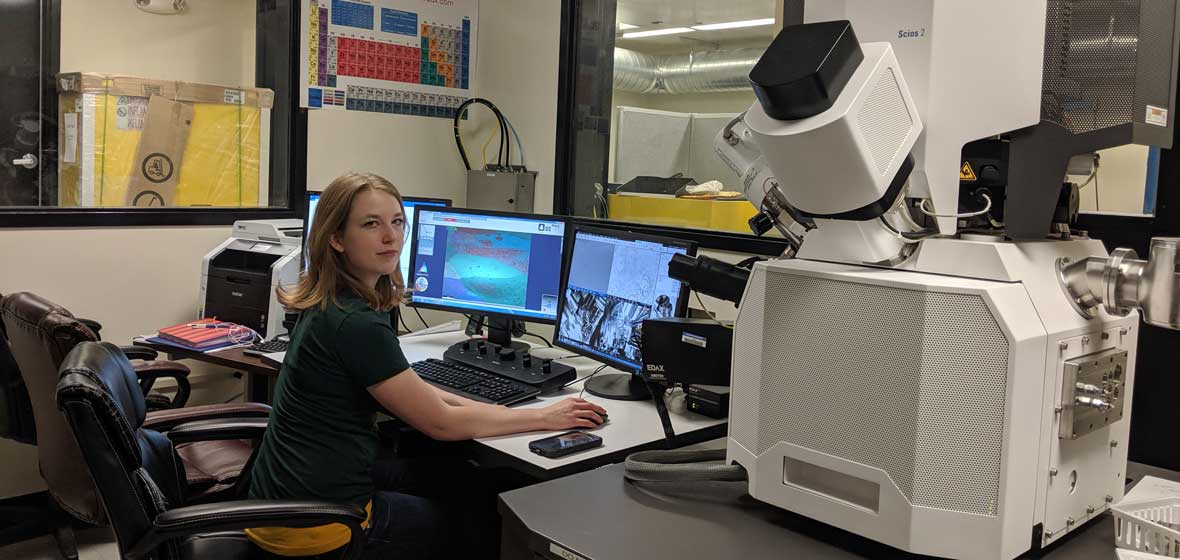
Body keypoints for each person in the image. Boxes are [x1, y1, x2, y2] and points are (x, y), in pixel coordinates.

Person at [246, 172, 607, 559]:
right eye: (371, 224)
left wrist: (497, 409)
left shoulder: (333, 300)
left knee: (460, 475)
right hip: (316, 531)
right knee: (487, 515)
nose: (390, 236)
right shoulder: (355, 323)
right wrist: (544, 418)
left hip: (288, 499)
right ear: (335, 238)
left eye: (397, 222)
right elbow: (440, 422)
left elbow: (420, 393)